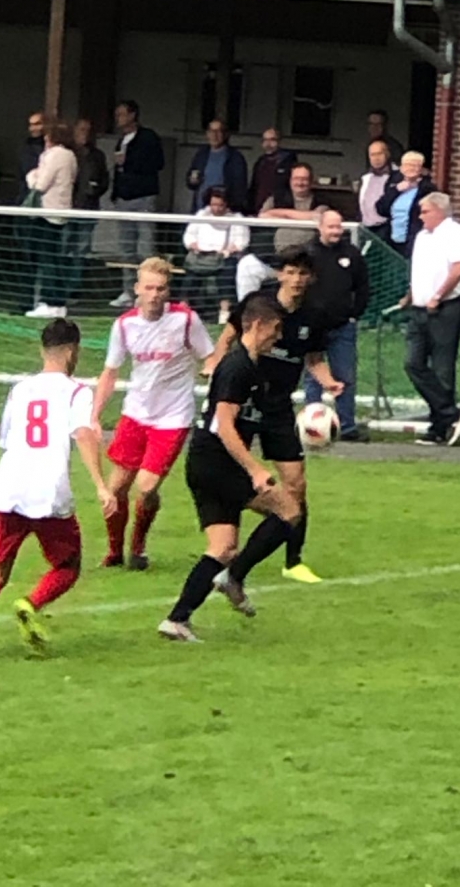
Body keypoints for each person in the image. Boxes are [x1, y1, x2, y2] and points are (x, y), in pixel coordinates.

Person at [0, 319, 115, 656]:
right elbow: (83, 434)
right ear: (72, 351)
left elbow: (7, 439)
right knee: (68, 566)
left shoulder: (20, 390)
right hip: (47, 491)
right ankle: (31, 603)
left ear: (43, 350)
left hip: (9, 487)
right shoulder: (77, 392)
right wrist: (101, 485)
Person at [159, 293, 303, 643]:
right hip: (218, 463)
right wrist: (255, 469)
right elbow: (224, 425)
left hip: (204, 462)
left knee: (222, 547)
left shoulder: (248, 366)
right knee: (289, 511)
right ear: (257, 324)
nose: (278, 337)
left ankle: (177, 620)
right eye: (275, 328)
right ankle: (233, 577)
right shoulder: (238, 367)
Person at [206, 245, 342, 584]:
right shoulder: (258, 304)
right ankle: (226, 541)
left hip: (279, 408)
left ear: (311, 278)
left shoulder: (314, 315)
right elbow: (227, 338)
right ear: (280, 274)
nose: (296, 279)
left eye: (303, 273)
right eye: (290, 272)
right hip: (245, 404)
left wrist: (328, 381)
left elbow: (313, 359)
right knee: (228, 474)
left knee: (296, 483)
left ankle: (293, 561)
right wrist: (214, 364)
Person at [92, 257, 214, 571]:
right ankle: (114, 551)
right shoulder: (124, 325)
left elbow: (210, 355)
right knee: (116, 489)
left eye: (161, 288)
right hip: (135, 414)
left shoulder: (186, 320)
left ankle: (138, 548)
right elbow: (110, 372)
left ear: (168, 290)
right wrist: (95, 415)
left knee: (146, 487)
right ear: (137, 289)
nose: (155, 294)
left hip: (173, 417)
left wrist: (210, 369)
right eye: (149, 288)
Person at [403, 192, 460, 447]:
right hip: (419, 308)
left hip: (444, 308)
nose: (421, 217)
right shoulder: (422, 236)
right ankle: (448, 411)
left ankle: (440, 426)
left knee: (442, 367)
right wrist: (411, 294)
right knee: (413, 363)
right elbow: (421, 271)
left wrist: (438, 295)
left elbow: (459, 267)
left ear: (440, 211)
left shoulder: (454, 232)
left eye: (425, 212)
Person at [303, 210, 370, 441]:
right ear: (320, 227)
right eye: (331, 227)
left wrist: (354, 314)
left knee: (345, 376)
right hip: (313, 327)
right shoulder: (307, 254)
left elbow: (363, 286)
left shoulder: (352, 254)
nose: (336, 231)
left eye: (338, 227)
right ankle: (312, 425)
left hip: (343, 327)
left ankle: (347, 426)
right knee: (313, 377)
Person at [236, 163, 326, 300]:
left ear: (311, 181)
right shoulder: (276, 198)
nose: (300, 183)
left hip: (305, 264)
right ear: (290, 180)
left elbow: (317, 217)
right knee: (247, 264)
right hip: (274, 260)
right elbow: (263, 215)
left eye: (304, 179)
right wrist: (302, 216)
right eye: (296, 178)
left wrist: (278, 213)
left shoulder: (321, 200)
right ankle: (247, 309)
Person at [109, 99, 165, 309]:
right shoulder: (121, 140)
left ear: (132, 115)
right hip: (124, 198)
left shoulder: (148, 137)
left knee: (146, 247)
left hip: (143, 197)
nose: (118, 119)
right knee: (126, 248)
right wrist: (115, 193)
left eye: (122, 114)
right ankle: (128, 290)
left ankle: (152, 290)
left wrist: (129, 161)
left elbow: (158, 163)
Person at [24, 118, 77, 319]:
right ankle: (57, 302)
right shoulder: (71, 156)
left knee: (47, 259)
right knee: (54, 257)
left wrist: (31, 175)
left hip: (48, 212)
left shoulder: (54, 155)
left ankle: (50, 301)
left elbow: (40, 184)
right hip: (61, 211)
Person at [182, 185, 249, 324]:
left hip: (224, 258)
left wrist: (230, 250)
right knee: (190, 277)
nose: (216, 208)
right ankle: (184, 310)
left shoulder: (237, 218)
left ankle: (224, 313)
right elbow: (189, 235)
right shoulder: (201, 215)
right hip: (201, 257)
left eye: (220, 205)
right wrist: (193, 245)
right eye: (214, 205)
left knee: (226, 275)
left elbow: (242, 242)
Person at [66, 117, 109, 302]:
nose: (85, 133)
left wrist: (95, 190)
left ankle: (73, 289)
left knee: (81, 250)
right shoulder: (67, 152)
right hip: (66, 209)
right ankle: (59, 287)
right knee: (64, 248)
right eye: (82, 129)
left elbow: (105, 180)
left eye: (88, 130)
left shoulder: (97, 155)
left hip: (88, 208)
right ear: (74, 131)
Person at [375, 150, 437, 259]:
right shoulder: (394, 184)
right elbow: (381, 209)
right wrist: (396, 190)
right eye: (407, 165)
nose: (410, 168)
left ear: (421, 169)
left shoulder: (428, 189)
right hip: (391, 240)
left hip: (414, 241)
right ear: (401, 168)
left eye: (415, 165)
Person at [185, 119, 248, 214]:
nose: (214, 135)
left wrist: (233, 207)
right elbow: (191, 179)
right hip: (201, 209)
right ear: (207, 134)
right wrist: (192, 180)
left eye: (218, 131)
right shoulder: (201, 154)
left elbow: (239, 187)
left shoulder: (235, 157)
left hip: (224, 212)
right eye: (211, 131)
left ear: (225, 134)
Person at [247, 127, 297, 214]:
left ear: (279, 141)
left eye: (272, 140)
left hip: (279, 208)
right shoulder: (260, 162)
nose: (268, 144)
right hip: (258, 208)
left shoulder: (288, 161)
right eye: (265, 140)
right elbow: (254, 187)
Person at [358, 139, 396, 239]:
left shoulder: (396, 176)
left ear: (387, 154)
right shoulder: (365, 177)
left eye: (379, 154)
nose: (376, 158)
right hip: (366, 227)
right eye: (372, 155)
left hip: (386, 228)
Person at [18, 110, 45, 201]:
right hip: (27, 194)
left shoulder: (52, 147)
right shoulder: (26, 146)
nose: (33, 128)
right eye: (31, 125)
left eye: (37, 124)